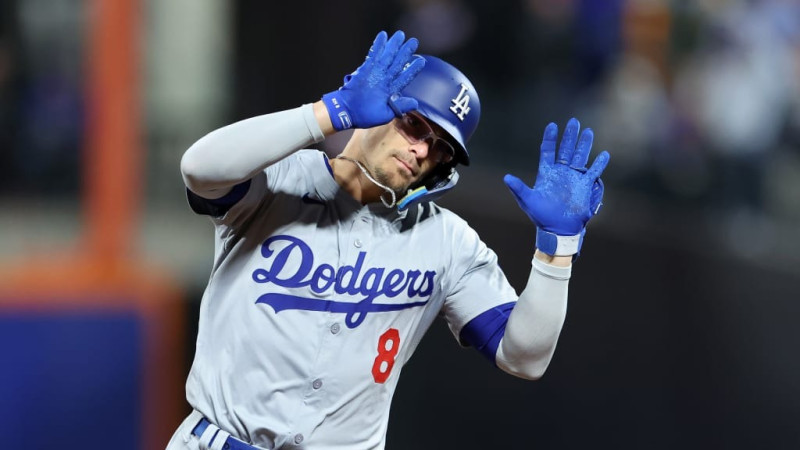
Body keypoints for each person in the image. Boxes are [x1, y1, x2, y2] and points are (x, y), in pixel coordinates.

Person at [167, 30, 610, 450]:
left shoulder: (445, 241)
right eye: (415, 126)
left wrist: (557, 250)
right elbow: (199, 169)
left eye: (441, 148)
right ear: (378, 106)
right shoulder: (278, 177)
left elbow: (524, 357)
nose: (423, 151)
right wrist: (328, 112)